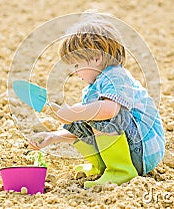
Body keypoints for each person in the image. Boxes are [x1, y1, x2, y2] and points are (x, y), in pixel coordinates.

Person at [29, 12, 165, 189]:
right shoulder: (94, 88)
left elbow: (109, 112)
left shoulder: (115, 76)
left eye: (77, 65)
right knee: (86, 114)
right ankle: (102, 167)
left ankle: (120, 170)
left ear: (96, 58)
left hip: (143, 150)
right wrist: (54, 136)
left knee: (96, 112)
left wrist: (72, 112)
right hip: (131, 146)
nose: (76, 72)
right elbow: (89, 123)